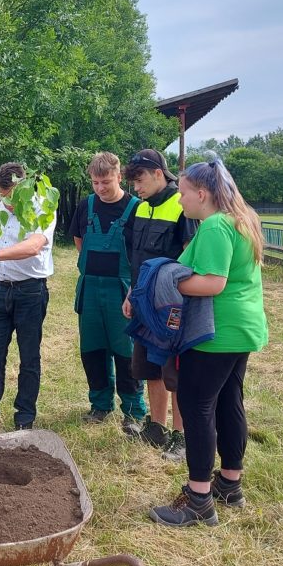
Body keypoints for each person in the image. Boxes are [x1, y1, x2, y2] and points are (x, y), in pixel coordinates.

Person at [148, 153, 268, 527]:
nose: (179, 200)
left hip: (216, 332)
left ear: (202, 193)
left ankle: (198, 497)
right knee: (229, 400)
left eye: (183, 193)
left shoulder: (216, 226)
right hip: (243, 329)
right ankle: (230, 483)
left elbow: (212, 282)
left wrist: (162, 283)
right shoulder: (243, 219)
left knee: (196, 405)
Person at [0, 163, 56, 434]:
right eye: (1, 195)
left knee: (29, 356)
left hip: (31, 291)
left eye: (10, 195)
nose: (6, 202)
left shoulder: (42, 206)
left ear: (22, 188)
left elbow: (33, 246)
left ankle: (24, 416)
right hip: (0, 290)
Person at [122, 149, 196, 460]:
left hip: (171, 307)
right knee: (149, 367)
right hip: (142, 303)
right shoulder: (138, 209)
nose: (135, 188)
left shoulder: (182, 207)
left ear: (157, 174)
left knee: (174, 372)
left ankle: (180, 436)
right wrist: (131, 294)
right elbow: (134, 259)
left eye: (139, 181)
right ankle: (155, 427)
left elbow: (191, 257)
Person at [68, 152, 146, 434]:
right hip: (90, 289)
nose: (100, 188)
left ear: (119, 176)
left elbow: (140, 252)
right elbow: (79, 240)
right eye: (95, 182)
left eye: (106, 182)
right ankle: (100, 404)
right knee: (92, 349)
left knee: (126, 352)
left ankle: (134, 410)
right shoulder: (86, 205)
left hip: (122, 289)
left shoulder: (137, 208)